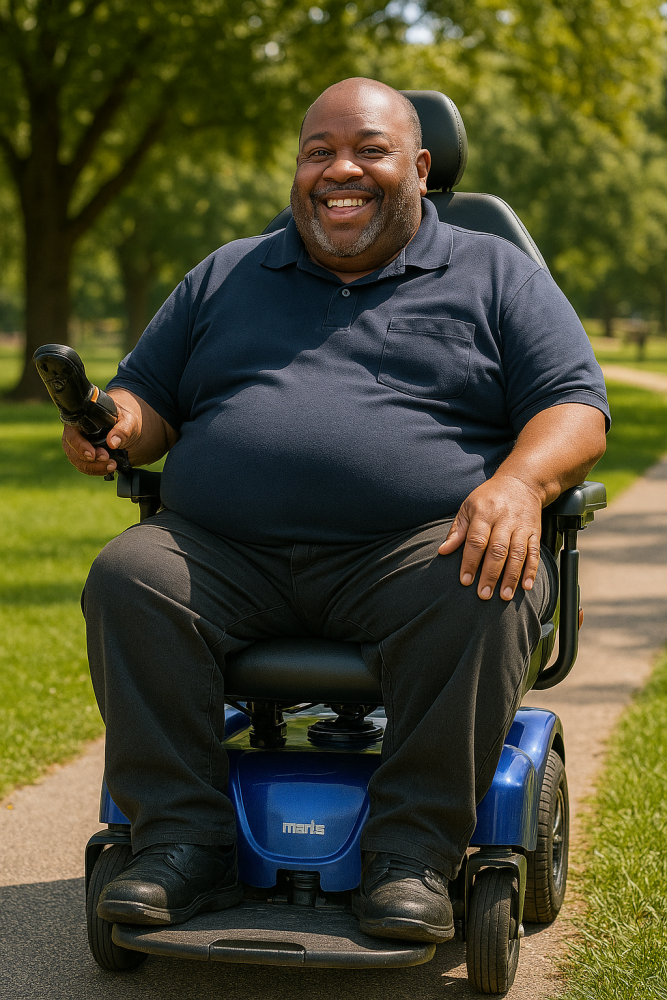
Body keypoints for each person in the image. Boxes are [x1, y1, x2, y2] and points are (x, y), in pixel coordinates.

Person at [64, 78, 608, 943]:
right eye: (318, 152)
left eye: (368, 149)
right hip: (225, 554)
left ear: (420, 167)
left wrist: (518, 482)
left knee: (487, 581)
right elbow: (151, 397)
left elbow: (574, 407)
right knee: (130, 576)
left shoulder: (493, 271)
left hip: (410, 555)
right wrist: (116, 422)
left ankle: (411, 858)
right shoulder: (229, 271)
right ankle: (179, 844)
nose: (338, 170)